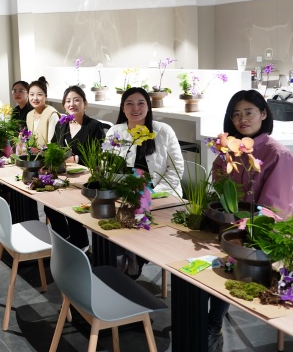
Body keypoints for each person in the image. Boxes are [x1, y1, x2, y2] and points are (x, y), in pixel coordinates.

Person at [207, 89, 293, 350]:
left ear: (264, 114)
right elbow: (219, 181)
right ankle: (203, 317)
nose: (242, 119)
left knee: (222, 261)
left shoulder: (277, 154)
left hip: (261, 232)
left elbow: (272, 211)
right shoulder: (231, 148)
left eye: (249, 112)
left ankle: (213, 323)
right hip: (230, 225)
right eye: (236, 114)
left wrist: (237, 224)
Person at [46, 86, 107, 249]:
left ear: (85, 103)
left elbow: (100, 156)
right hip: (64, 177)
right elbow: (53, 145)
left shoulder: (94, 126)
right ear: (64, 105)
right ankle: (64, 239)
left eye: (76, 100)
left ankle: (81, 244)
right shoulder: (61, 124)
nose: (72, 104)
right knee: (49, 206)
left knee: (72, 209)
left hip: (85, 179)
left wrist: (76, 158)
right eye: (68, 101)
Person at [105, 87, 184, 196]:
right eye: (129, 103)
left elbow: (176, 168)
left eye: (140, 103)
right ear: (123, 108)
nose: (135, 108)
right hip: (126, 193)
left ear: (148, 107)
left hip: (162, 194)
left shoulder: (164, 131)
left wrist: (154, 193)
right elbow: (106, 164)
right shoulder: (114, 131)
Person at [25, 77, 60, 146]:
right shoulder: (29, 115)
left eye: (39, 94)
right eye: (32, 94)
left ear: (45, 96)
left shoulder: (52, 114)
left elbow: (53, 144)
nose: (35, 98)